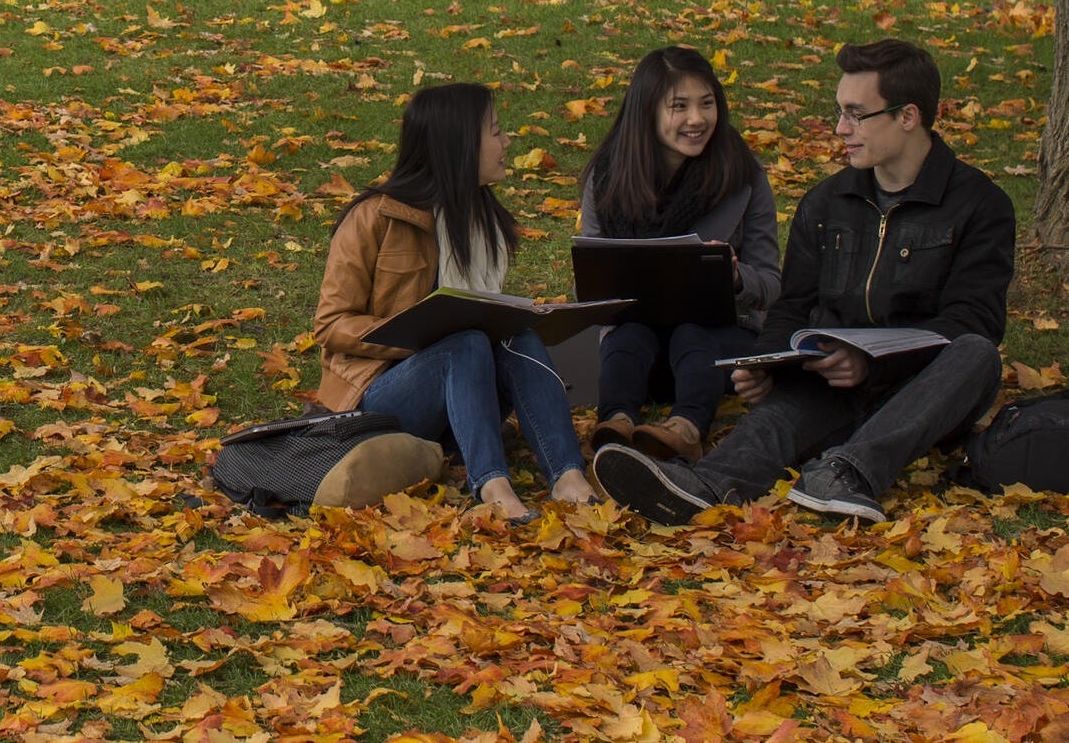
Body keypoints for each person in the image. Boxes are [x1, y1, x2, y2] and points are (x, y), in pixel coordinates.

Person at [595, 38, 1013, 523]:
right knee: (788, 407)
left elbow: (972, 319)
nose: (840, 129)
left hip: (926, 386)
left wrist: (872, 364)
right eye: (840, 113)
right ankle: (703, 484)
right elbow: (793, 305)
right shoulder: (825, 203)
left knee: (977, 354)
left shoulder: (980, 205)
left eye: (856, 115)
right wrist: (768, 363)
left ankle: (845, 473)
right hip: (833, 381)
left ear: (907, 116)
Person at [314, 82, 596, 520]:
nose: (507, 143)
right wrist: (417, 336)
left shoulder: (485, 221)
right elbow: (331, 324)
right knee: (462, 343)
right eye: (497, 132)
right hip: (385, 395)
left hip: (467, 390)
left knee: (516, 334)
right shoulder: (374, 217)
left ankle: (568, 476)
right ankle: (491, 485)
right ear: (458, 144)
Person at [576, 45, 782, 462]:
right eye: (680, 106)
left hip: (717, 346)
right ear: (647, 112)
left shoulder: (743, 174)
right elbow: (594, 291)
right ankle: (615, 422)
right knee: (629, 334)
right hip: (636, 352)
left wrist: (738, 279)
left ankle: (686, 429)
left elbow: (773, 284)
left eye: (707, 104)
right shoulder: (608, 178)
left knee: (693, 330)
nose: (697, 119)